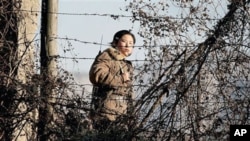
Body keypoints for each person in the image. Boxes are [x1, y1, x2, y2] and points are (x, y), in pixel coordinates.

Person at [89, 30, 135, 131]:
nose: (127, 45)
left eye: (131, 43)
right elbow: (96, 75)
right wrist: (120, 79)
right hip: (107, 112)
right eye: (124, 41)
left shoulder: (125, 64)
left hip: (122, 113)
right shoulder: (107, 56)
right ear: (115, 43)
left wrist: (131, 113)